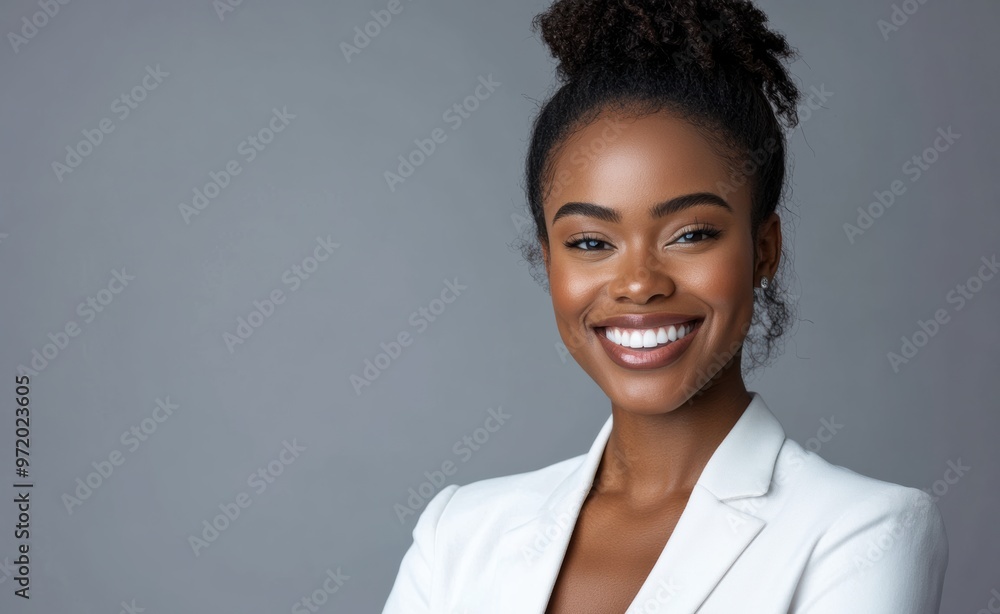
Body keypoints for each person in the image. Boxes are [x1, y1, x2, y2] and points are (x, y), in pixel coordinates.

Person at [382, 0, 949, 612]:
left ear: (764, 250)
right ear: (549, 262)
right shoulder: (458, 534)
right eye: (591, 242)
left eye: (690, 234)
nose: (638, 283)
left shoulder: (863, 532)